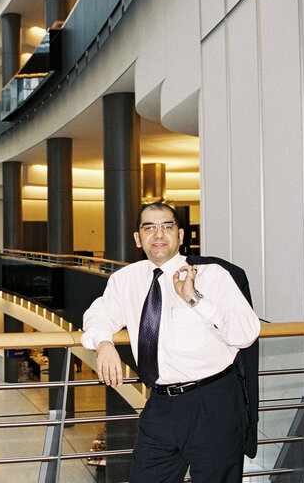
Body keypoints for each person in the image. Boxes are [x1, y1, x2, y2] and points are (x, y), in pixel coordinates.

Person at [81, 202, 260, 483]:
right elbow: (97, 315)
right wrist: (103, 344)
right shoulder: (125, 280)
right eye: (148, 227)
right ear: (138, 239)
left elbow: (246, 332)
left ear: (180, 236)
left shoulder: (212, 276)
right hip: (160, 406)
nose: (158, 234)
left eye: (167, 226)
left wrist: (194, 299)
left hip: (212, 401)